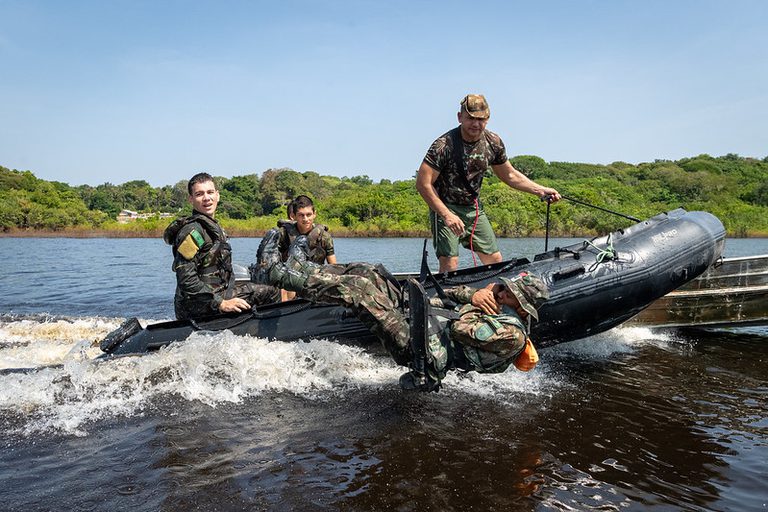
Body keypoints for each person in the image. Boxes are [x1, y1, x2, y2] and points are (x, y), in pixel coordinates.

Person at [254, 236, 550, 391]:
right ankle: (301, 267)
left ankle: (279, 275)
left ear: (520, 305)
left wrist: (475, 306)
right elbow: (451, 295)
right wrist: (476, 294)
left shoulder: (512, 334)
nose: (499, 292)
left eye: (506, 293)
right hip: (425, 324)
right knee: (368, 272)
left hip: (421, 348)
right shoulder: (495, 305)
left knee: (358, 291)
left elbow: (461, 329)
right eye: (502, 288)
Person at [416, 94, 562, 273]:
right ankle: (446, 298)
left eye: (481, 119)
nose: (476, 124)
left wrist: (541, 190)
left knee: (495, 260)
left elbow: (510, 175)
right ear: (460, 117)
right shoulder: (443, 145)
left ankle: (490, 299)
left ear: (487, 119)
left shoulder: (493, 142)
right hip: (446, 207)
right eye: (471, 118)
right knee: (450, 263)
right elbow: (423, 183)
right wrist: (447, 215)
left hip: (473, 208)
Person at [163, 172, 280, 320]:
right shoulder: (193, 232)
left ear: (217, 195)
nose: (206, 198)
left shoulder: (213, 228)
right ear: (191, 199)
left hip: (215, 296)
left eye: (210, 192)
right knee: (270, 292)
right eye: (199, 194)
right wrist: (221, 303)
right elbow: (186, 280)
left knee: (262, 284)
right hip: (196, 306)